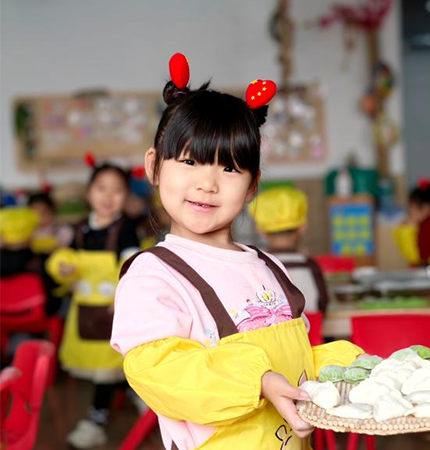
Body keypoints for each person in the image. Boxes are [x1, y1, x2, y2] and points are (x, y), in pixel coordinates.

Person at [110, 54, 362, 450]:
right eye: (190, 161)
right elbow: (160, 370)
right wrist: (258, 381)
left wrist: (370, 369)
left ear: (252, 186)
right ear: (154, 166)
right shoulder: (153, 276)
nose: (207, 183)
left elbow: (302, 364)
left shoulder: (269, 266)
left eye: (229, 169)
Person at [46, 163, 140, 448]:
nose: (108, 196)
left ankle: (96, 420)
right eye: (101, 188)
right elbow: (66, 260)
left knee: (107, 366)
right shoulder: (79, 230)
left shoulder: (126, 229)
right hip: (84, 312)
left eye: (118, 190)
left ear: (127, 197)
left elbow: (132, 264)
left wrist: (123, 293)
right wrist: (63, 268)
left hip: (115, 311)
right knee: (103, 366)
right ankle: (136, 393)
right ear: (89, 192)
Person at [249, 186, 329, 313]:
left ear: (260, 230)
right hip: (310, 332)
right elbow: (323, 306)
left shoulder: (256, 267)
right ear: (303, 227)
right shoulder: (310, 266)